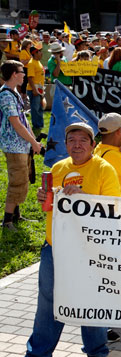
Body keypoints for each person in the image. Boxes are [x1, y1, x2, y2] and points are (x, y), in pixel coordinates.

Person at [10, 122, 120, 357]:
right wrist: (43, 200)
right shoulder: (58, 169)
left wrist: (84, 198)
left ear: (93, 145)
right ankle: (38, 356)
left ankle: (96, 353)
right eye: (72, 140)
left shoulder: (104, 169)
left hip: (89, 249)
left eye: (83, 140)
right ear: (66, 144)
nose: (77, 144)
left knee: (90, 300)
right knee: (47, 304)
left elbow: (115, 210)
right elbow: (50, 209)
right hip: (55, 248)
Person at [0, 60, 42, 230]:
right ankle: (7, 221)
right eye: (21, 72)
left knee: (23, 179)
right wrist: (32, 141)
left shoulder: (14, 93)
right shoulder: (5, 95)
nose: (24, 75)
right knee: (17, 182)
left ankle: (16, 215)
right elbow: (16, 123)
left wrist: (34, 141)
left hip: (22, 144)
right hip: (13, 146)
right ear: (13, 74)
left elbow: (24, 121)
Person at [26, 44, 45, 130]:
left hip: (40, 89)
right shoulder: (31, 63)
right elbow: (30, 77)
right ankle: (36, 125)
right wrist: (34, 90)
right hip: (34, 89)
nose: (42, 53)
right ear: (35, 53)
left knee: (40, 107)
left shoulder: (38, 62)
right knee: (35, 108)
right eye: (40, 52)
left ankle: (40, 124)